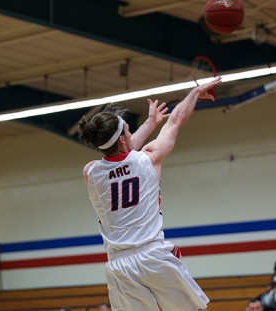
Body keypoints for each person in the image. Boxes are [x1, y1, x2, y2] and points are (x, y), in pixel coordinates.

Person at [78, 76, 221, 311]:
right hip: (152, 254)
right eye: (127, 128)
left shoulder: (90, 173)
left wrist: (151, 122)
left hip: (118, 264)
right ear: (124, 138)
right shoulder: (148, 157)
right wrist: (194, 94)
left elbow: (120, 151)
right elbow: (175, 120)